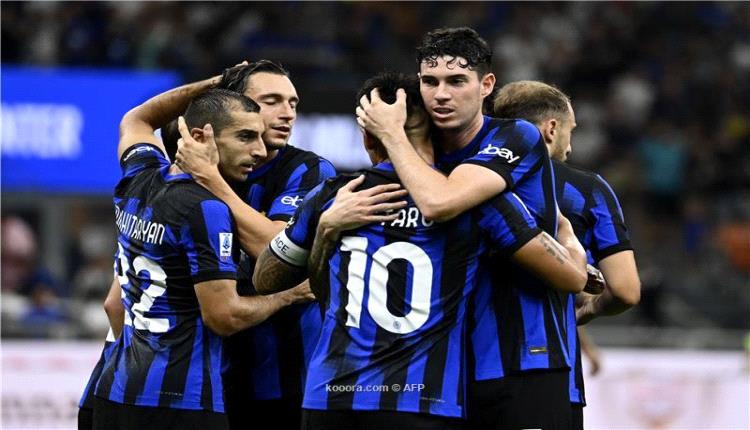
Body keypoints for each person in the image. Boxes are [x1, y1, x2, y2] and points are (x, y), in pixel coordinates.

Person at [253, 72, 587, 430]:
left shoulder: (333, 197)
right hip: (422, 400)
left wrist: (324, 231)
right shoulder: (475, 202)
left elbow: (264, 279)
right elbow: (571, 277)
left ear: (366, 135)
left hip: (330, 398)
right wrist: (564, 231)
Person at [356, 27, 586, 429]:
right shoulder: (424, 150)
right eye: (430, 82)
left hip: (523, 361)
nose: (441, 94)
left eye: (457, 81)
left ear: (486, 85)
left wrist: (391, 134)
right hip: (446, 368)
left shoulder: (514, 135)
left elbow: (440, 202)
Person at [92, 79, 313, 430]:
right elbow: (224, 316)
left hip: (112, 391)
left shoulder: (138, 176)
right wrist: (290, 295)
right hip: (182, 401)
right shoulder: (206, 209)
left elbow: (136, 119)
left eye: (260, 137)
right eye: (245, 137)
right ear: (200, 137)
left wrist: (216, 82)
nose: (259, 151)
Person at [173, 60, 337, 430]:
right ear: (237, 107)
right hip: (210, 378)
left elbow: (276, 255)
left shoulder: (308, 171)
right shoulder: (183, 173)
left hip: (290, 381)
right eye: (272, 101)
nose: (287, 113)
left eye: (293, 103)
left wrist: (211, 181)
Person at [493, 80, 641, 430]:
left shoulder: (466, 181)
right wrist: (590, 310)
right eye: (570, 131)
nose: (570, 146)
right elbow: (625, 290)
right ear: (551, 128)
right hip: (549, 377)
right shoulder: (586, 189)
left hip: (464, 376)